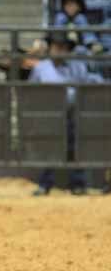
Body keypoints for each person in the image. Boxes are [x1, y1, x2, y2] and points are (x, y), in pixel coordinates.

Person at [30, 31, 103, 196]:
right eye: (57, 47)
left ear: (68, 50)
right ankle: (45, 184)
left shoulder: (77, 66)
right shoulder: (41, 68)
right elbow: (31, 91)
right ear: (51, 48)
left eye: (64, 47)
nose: (60, 51)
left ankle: (77, 184)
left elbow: (90, 80)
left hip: (73, 112)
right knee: (50, 147)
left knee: (75, 146)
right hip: (49, 113)